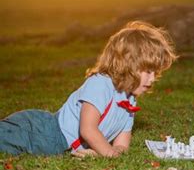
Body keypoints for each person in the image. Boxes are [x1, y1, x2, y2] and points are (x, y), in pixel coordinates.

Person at [0, 21, 177, 157]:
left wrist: (104, 153)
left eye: (155, 72)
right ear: (127, 65)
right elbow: (88, 129)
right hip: (42, 131)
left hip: (57, 144)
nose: (153, 78)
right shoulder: (101, 84)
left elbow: (122, 145)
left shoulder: (129, 100)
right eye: (148, 71)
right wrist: (108, 154)